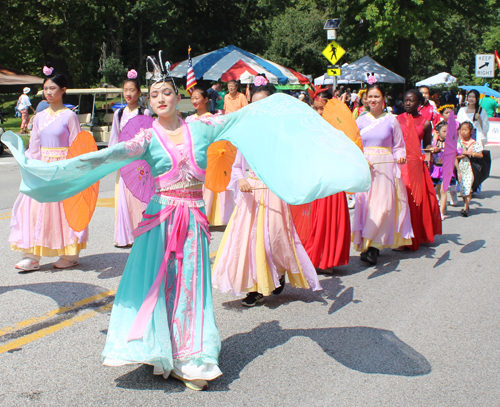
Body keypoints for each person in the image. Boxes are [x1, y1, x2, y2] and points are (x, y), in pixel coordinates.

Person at [212, 78, 321, 306]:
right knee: (250, 242)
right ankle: (256, 287)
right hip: (251, 196)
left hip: (273, 195)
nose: (259, 108)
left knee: (275, 239)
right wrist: (241, 178)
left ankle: (278, 273)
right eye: (254, 103)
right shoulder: (246, 131)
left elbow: (292, 163)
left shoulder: (282, 133)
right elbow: (237, 167)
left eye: (264, 103)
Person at [9, 67, 85, 271]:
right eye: (45, 89)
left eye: (53, 88)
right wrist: (30, 167)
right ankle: (32, 256)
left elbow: (77, 146)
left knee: (61, 212)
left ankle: (69, 254)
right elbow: (33, 146)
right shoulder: (40, 117)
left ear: (63, 90)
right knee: (34, 209)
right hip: (42, 168)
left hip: (63, 169)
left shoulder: (70, 116)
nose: (49, 92)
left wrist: (73, 171)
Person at [353, 83, 413, 265]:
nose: (373, 100)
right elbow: (354, 144)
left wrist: (400, 157)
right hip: (366, 167)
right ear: (365, 99)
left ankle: (375, 248)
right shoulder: (360, 120)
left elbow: (398, 145)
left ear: (384, 98)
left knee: (383, 206)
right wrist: (360, 159)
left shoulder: (391, 120)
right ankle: (367, 244)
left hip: (386, 169)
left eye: (376, 96)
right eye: (370, 96)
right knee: (366, 206)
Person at [292, 89, 352, 270]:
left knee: (329, 220)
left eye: (322, 108)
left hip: (332, 178)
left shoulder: (338, 128)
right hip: (314, 177)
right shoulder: (306, 125)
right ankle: (311, 255)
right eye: (316, 108)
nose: (319, 112)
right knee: (311, 219)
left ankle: (327, 258)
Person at [108, 68, 152, 247]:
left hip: (140, 162)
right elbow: (114, 138)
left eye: (132, 90)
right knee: (124, 199)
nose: (128, 93)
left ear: (139, 93)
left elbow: (150, 137)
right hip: (124, 162)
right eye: (125, 90)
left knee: (140, 198)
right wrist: (111, 158)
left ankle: (142, 231)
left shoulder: (145, 114)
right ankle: (126, 234)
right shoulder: (119, 114)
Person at [397, 89, 442, 251]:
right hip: (399, 164)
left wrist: (433, 149)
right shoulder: (396, 120)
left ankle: (415, 235)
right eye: (406, 100)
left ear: (419, 103)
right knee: (402, 200)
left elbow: (427, 145)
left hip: (416, 166)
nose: (408, 103)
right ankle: (401, 237)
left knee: (415, 201)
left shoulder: (426, 122)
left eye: (412, 100)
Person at [185, 85, 235, 226]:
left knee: (210, 186)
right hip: (193, 157)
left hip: (209, 156)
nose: (194, 101)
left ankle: (211, 216)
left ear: (206, 99)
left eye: (197, 98)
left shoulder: (214, 119)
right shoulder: (189, 119)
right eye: (192, 98)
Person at [429, 121, 457, 219]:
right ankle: (442, 204)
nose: (447, 133)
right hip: (436, 168)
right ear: (438, 132)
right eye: (444, 131)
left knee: (443, 190)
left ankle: (441, 213)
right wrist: (433, 149)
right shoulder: (434, 142)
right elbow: (430, 151)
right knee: (438, 189)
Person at [456, 122, 483, 216]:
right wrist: (460, 156)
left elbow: (481, 155)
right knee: (463, 189)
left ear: (471, 131)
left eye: (466, 130)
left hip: (470, 168)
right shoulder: (458, 143)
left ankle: (465, 207)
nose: (463, 132)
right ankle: (466, 203)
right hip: (460, 168)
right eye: (461, 129)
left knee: (468, 187)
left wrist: (469, 153)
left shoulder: (474, 143)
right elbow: (454, 156)